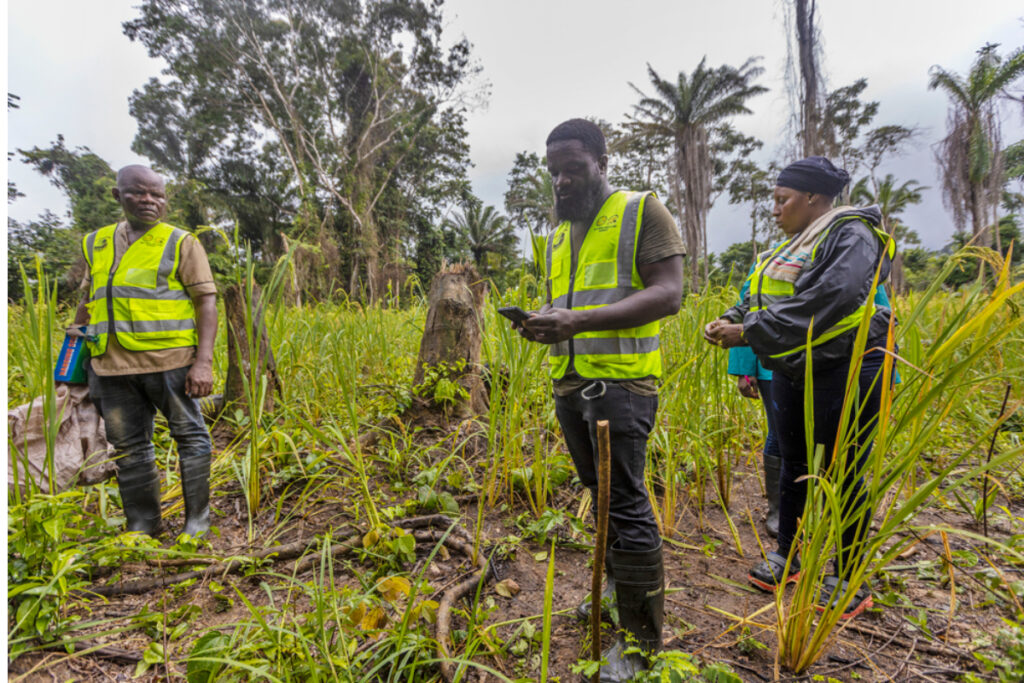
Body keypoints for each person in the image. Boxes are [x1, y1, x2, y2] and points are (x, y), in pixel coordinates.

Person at [517, 119, 684, 680]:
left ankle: (642, 645)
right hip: (570, 383)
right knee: (599, 495)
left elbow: (668, 295)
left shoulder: (642, 212)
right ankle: (621, 597)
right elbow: (568, 307)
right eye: (554, 173)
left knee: (628, 503)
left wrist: (577, 321)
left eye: (573, 169)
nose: (561, 182)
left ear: (601, 163)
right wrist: (543, 324)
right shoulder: (560, 233)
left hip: (622, 386)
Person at [704, 156, 895, 620]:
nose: (775, 209)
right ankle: (787, 555)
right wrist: (734, 315)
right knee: (793, 462)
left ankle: (849, 576)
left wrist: (749, 331)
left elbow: (828, 299)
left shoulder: (852, 235)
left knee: (843, 469)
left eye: (781, 199)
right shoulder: (788, 247)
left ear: (812, 198)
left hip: (848, 368)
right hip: (795, 368)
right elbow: (761, 294)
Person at [72, 165, 218, 537]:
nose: (150, 201)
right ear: (117, 195)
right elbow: (89, 300)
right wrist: (73, 354)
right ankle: (143, 525)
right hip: (110, 366)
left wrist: (203, 363)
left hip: (170, 363)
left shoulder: (180, 242)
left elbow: (206, 302)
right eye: (139, 192)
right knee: (128, 446)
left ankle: (197, 522)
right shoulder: (96, 242)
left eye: (158, 195)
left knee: (190, 436)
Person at [728, 251, 899, 540]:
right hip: (776, 367)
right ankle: (780, 513)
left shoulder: (853, 256)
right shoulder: (771, 258)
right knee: (781, 438)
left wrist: (888, 375)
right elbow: (749, 310)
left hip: (840, 366)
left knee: (836, 443)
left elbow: (882, 318)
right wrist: (744, 369)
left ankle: (825, 510)